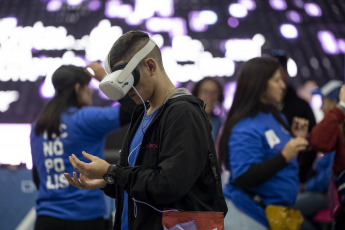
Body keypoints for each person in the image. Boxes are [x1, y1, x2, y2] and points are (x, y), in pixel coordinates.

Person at [64, 30, 228, 230]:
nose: (125, 89)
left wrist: (112, 172)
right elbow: (140, 184)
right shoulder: (142, 113)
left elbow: (167, 186)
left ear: (150, 66)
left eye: (129, 80)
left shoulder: (184, 113)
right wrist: (107, 182)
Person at [30, 62, 136, 230]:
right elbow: (134, 108)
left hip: (46, 219)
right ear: (78, 88)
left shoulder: (38, 126)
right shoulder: (86, 118)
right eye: (88, 85)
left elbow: (37, 177)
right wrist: (106, 79)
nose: (91, 90)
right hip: (86, 219)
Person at [218, 56, 309, 230]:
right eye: (276, 80)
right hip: (248, 215)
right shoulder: (245, 127)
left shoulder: (276, 116)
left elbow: (280, 160)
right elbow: (244, 176)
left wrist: (296, 139)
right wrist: (284, 156)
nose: (283, 85)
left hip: (273, 215)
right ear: (259, 85)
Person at [270, 49, 317, 183]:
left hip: (293, 177)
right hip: (268, 180)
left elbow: (311, 145)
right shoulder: (259, 107)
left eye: (279, 74)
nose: (276, 80)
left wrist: (301, 178)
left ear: (286, 74)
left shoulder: (300, 106)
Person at [308, 80, 345, 230]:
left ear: (334, 102)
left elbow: (325, 178)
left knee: (291, 208)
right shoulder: (337, 126)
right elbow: (317, 141)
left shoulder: (337, 124)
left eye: (324, 101)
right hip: (338, 200)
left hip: (330, 194)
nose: (321, 106)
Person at [191, 77, 225, 142]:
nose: (209, 96)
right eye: (205, 91)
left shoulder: (221, 123)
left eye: (214, 92)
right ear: (196, 95)